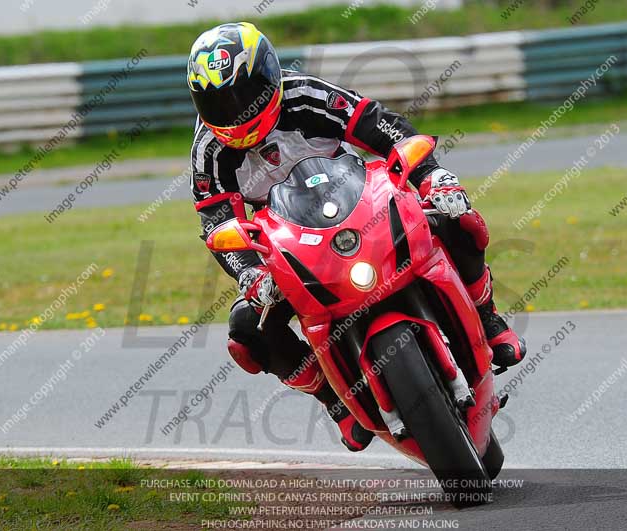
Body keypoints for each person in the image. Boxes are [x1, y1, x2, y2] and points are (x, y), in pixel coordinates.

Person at [187, 22, 526, 452]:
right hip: (295, 244)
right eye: (216, 102)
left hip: (363, 204)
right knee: (246, 330)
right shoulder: (208, 152)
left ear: (269, 75)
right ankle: (335, 401)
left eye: (241, 93)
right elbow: (217, 223)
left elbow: (382, 126)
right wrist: (252, 275)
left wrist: (432, 177)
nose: (233, 110)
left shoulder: (307, 95)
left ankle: (489, 318)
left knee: (456, 218)